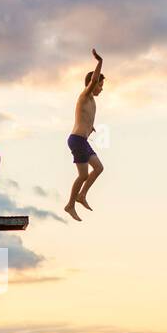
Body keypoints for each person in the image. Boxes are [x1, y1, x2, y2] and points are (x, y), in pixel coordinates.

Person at [65, 48, 104, 222]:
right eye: (100, 85)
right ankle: (71, 204)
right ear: (91, 84)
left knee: (98, 168)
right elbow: (94, 78)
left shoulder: (91, 101)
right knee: (83, 175)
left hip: (81, 141)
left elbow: (85, 117)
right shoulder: (85, 95)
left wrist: (91, 127)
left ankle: (80, 197)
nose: (101, 88)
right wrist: (99, 62)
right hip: (77, 140)